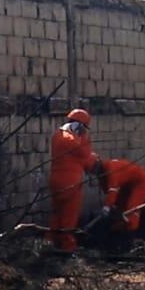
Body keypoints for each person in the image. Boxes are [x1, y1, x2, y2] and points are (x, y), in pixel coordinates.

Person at [46, 108, 96, 252]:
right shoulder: (71, 139)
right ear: (79, 126)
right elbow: (85, 154)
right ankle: (68, 247)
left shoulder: (57, 135)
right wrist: (85, 138)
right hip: (70, 182)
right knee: (69, 215)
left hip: (55, 179)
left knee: (57, 213)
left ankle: (49, 242)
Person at [93, 158, 145, 233]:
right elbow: (107, 190)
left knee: (131, 208)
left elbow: (113, 189)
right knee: (120, 206)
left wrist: (107, 206)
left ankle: (131, 232)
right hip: (126, 185)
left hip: (140, 182)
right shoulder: (101, 175)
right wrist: (111, 205)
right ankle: (120, 228)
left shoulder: (111, 168)